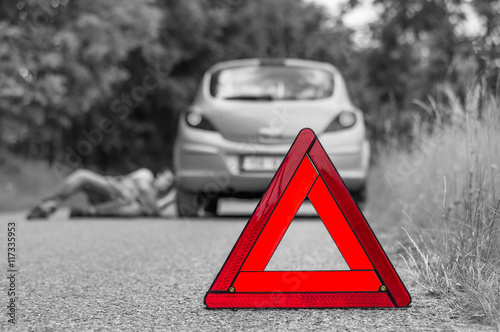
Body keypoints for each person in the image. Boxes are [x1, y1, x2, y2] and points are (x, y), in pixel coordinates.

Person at [26, 168, 176, 219]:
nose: (167, 183)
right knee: (82, 176)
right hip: (111, 189)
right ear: (159, 174)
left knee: (135, 209)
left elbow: (155, 209)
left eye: (170, 183)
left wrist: (171, 198)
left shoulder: (155, 199)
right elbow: (146, 193)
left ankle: (88, 213)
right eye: (167, 179)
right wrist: (154, 204)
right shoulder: (146, 174)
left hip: (112, 206)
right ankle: (45, 205)